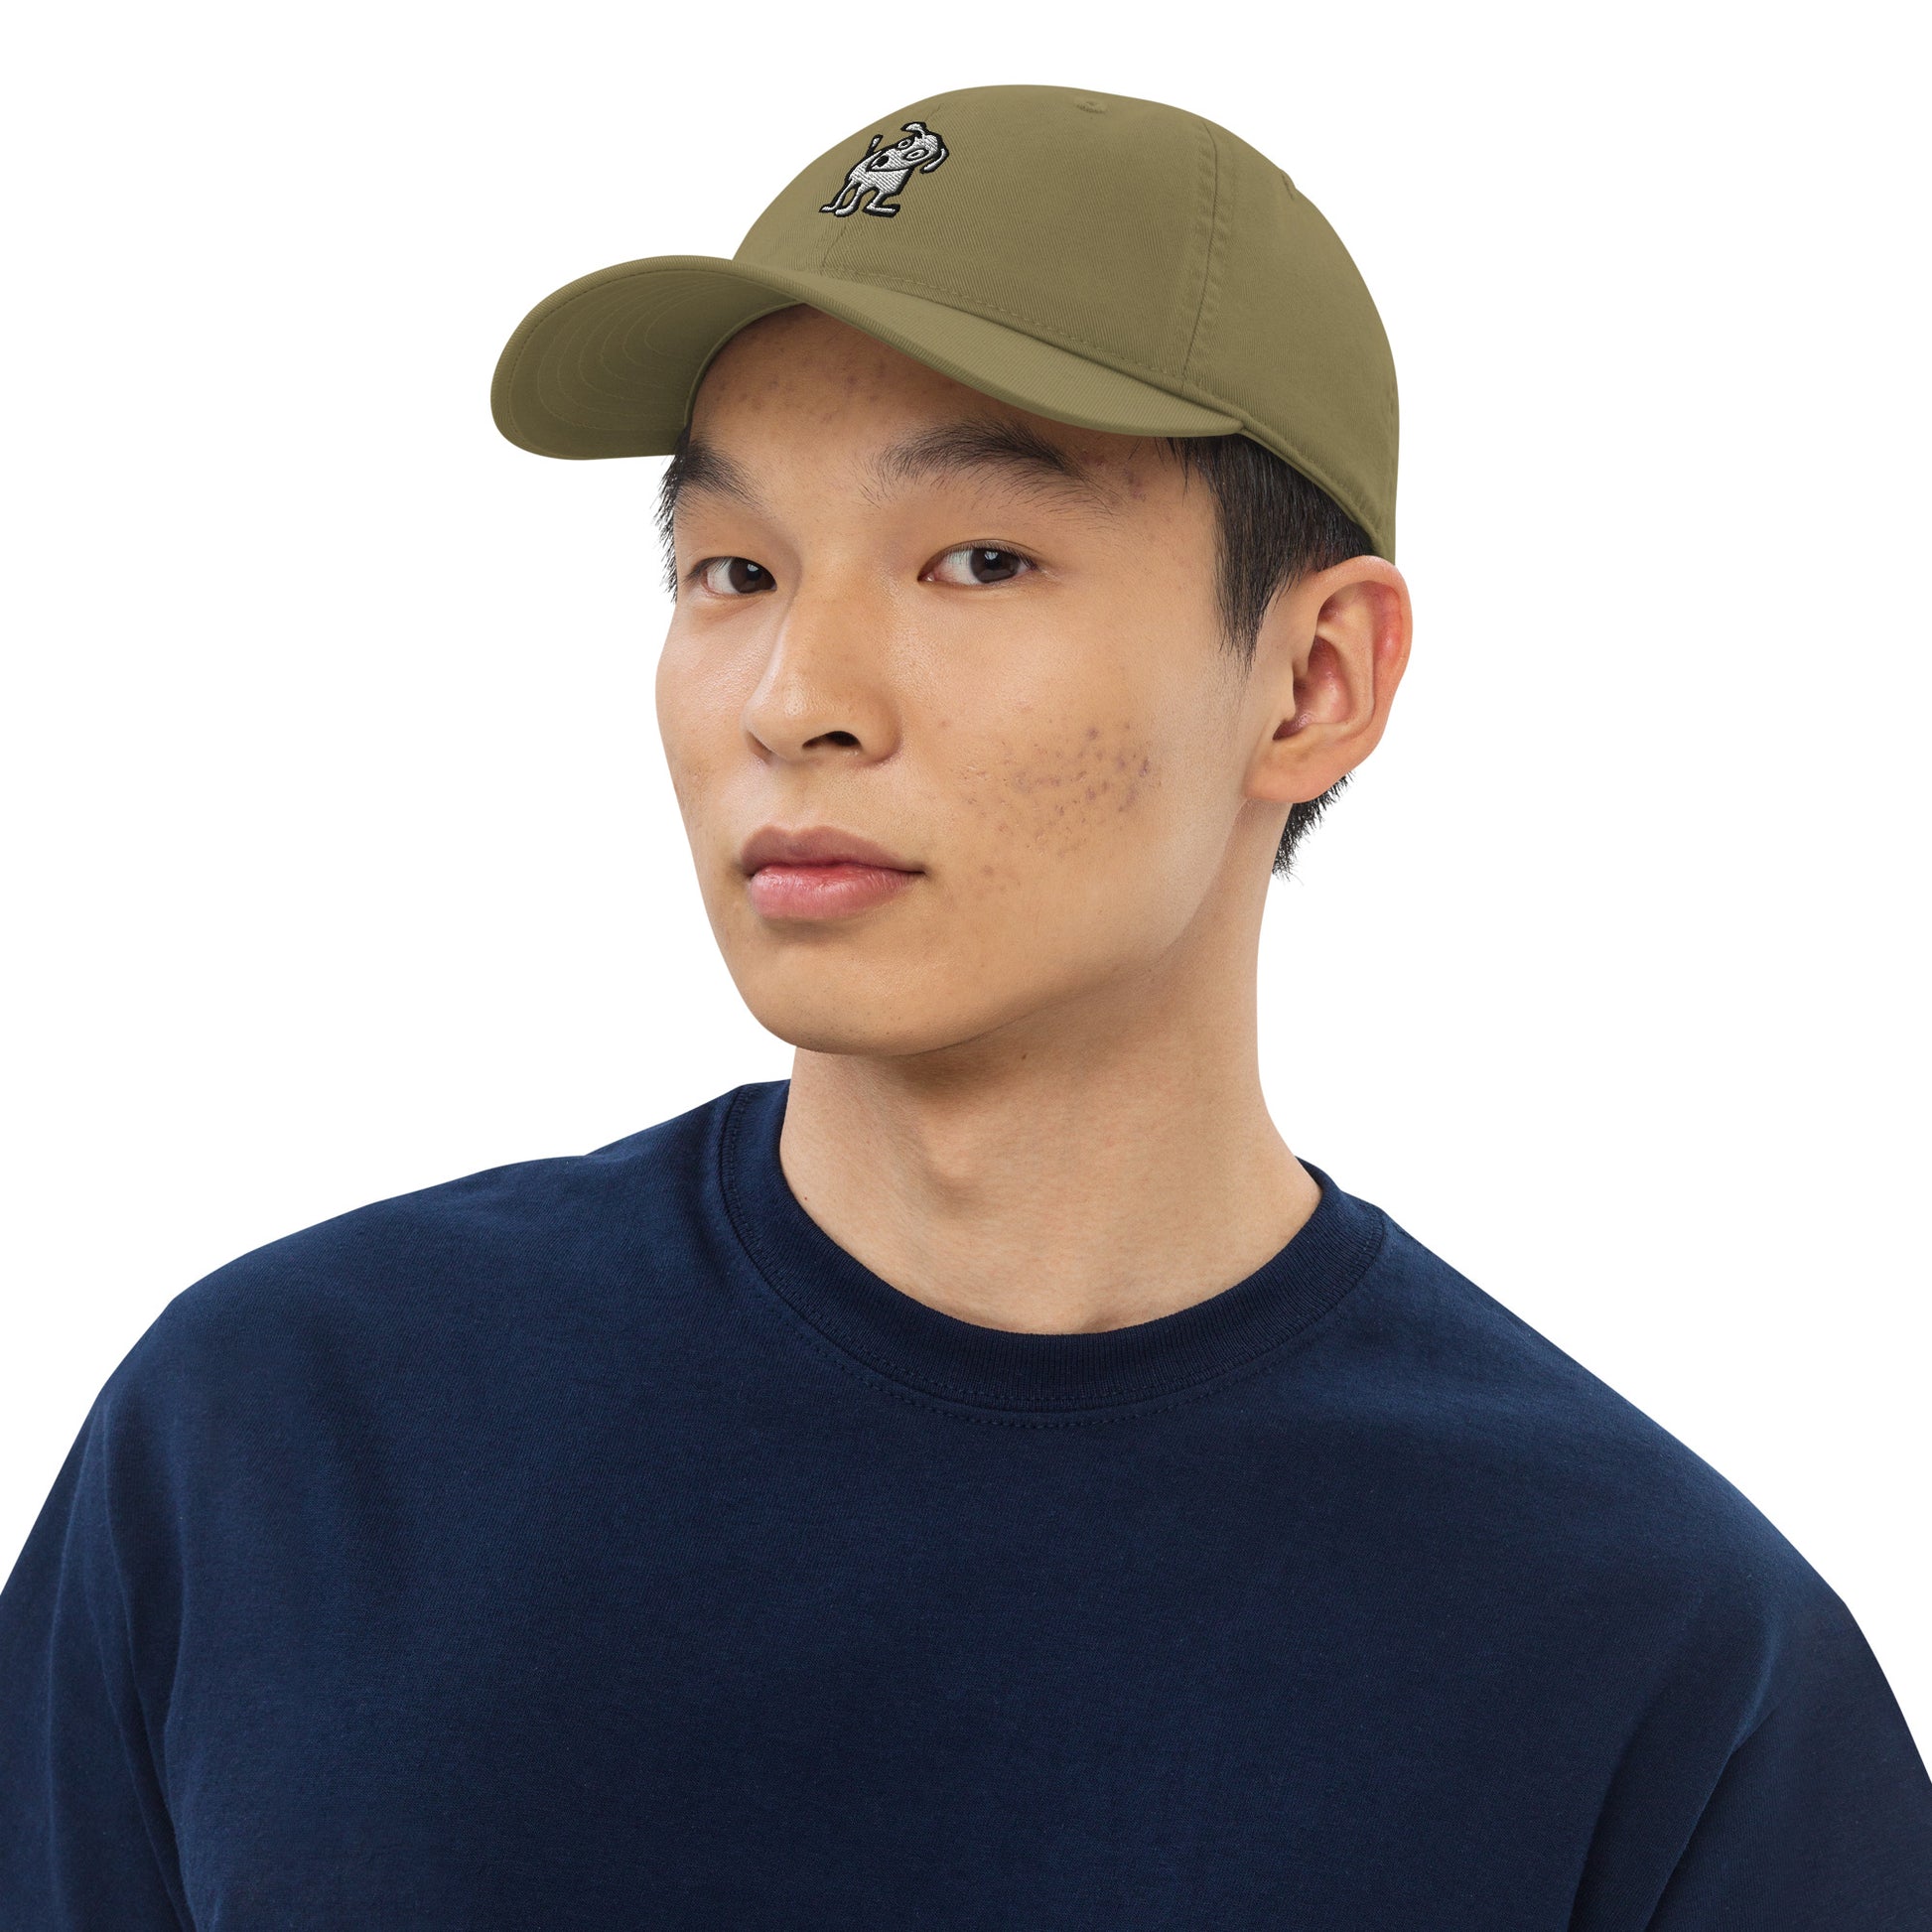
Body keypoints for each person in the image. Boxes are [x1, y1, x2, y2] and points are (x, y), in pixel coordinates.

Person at [2, 80, 1928, 1930]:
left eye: (976, 557)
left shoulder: (1663, 1685)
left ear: (1314, 676)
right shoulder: (276, 1451)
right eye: (732, 569)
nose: (793, 692)